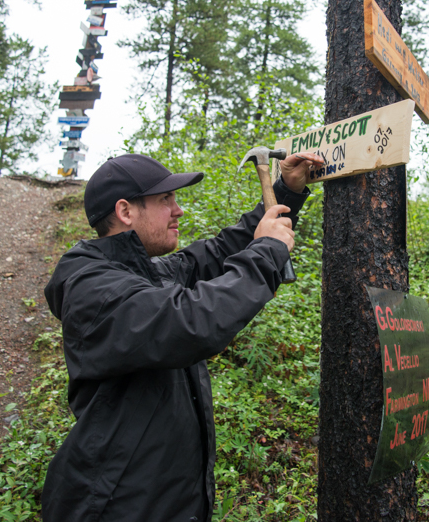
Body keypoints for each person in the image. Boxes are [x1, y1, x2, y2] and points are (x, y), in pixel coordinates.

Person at [42, 151, 323, 522]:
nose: (179, 210)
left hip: (166, 497)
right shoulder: (94, 290)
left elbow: (219, 253)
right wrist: (268, 253)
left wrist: (285, 191)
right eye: (165, 200)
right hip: (118, 506)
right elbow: (194, 321)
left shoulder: (146, 273)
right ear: (126, 212)